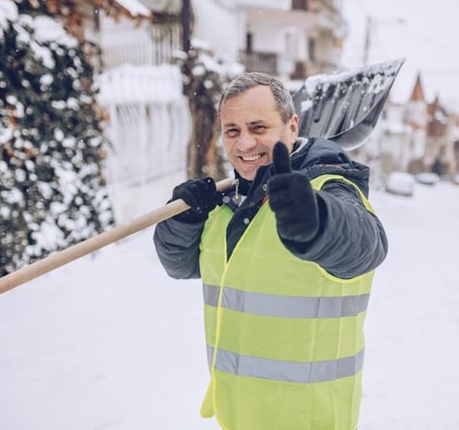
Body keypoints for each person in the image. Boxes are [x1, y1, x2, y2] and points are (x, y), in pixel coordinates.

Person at [153, 72, 388, 430]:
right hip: (236, 415)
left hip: (308, 420)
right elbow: (180, 265)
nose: (244, 143)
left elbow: (365, 245)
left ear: (292, 127)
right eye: (232, 130)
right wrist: (183, 220)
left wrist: (317, 222)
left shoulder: (329, 189)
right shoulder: (230, 202)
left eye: (258, 127)